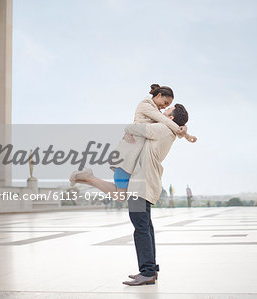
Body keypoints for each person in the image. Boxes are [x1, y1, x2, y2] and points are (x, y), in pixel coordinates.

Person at [72, 104, 189, 286]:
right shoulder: (169, 131)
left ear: (171, 118)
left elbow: (133, 127)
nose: (163, 112)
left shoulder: (162, 128)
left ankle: (148, 272)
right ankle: (150, 270)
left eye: (167, 111)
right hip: (145, 183)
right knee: (146, 228)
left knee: (141, 229)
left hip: (142, 184)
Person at [70, 84, 196, 199]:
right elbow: (168, 122)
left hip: (133, 158)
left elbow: (169, 124)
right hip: (127, 155)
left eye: (167, 106)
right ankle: (88, 176)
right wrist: (186, 134)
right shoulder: (146, 105)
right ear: (158, 95)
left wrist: (184, 128)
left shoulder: (157, 112)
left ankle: (84, 177)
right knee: (121, 195)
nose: (164, 107)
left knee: (121, 195)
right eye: (165, 102)